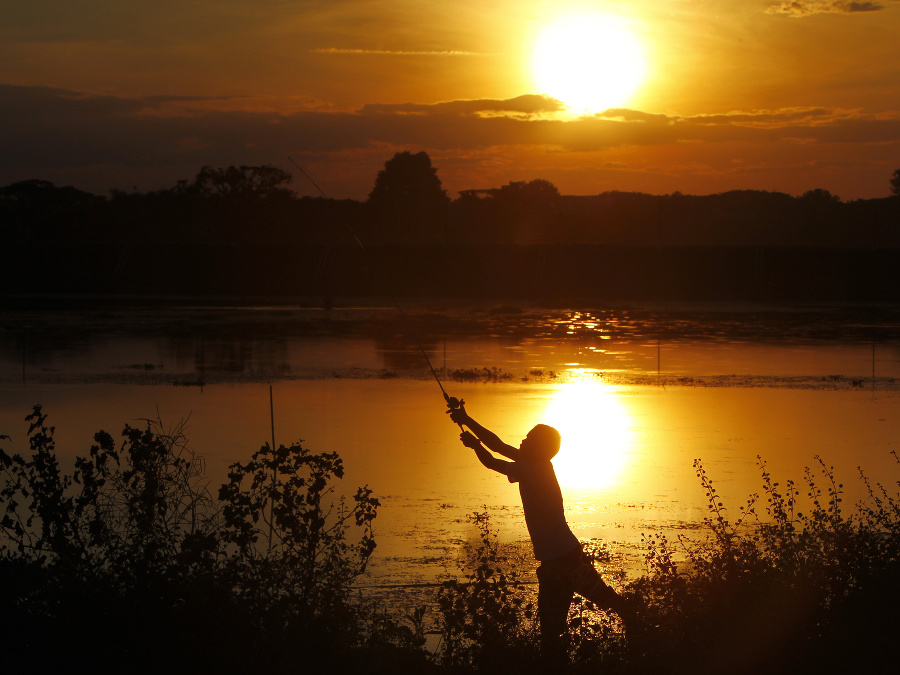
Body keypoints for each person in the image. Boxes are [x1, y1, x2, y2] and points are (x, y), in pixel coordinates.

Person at [448, 404, 630, 659]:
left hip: (562, 560)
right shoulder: (538, 464)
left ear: (539, 448)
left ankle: (638, 627)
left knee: (561, 624)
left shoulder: (532, 469)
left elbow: (491, 461)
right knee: (576, 614)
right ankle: (636, 625)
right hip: (563, 557)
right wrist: (466, 419)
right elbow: (498, 445)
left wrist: (474, 445)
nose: (523, 441)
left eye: (529, 439)